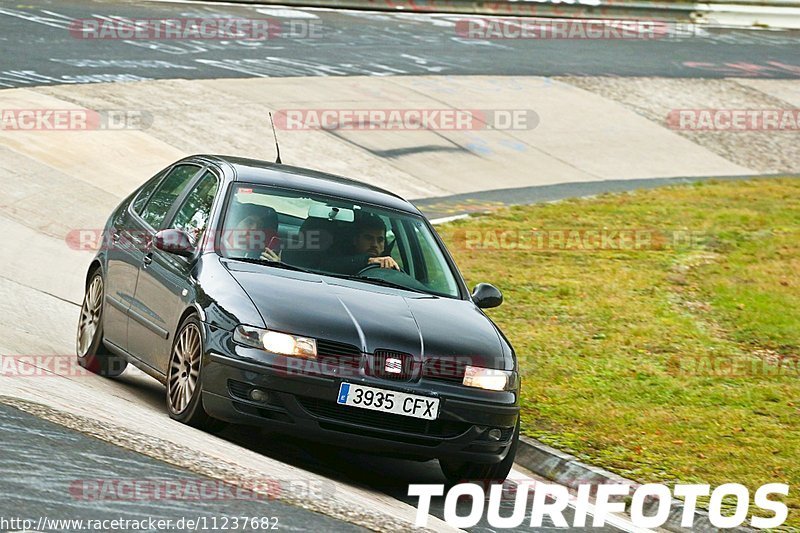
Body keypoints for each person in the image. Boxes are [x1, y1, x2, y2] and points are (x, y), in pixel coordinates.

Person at [325, 212, 400, 274]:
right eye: (369, 238)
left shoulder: (389, 268)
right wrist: (369, 261)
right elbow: (328, 266)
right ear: (355, 240)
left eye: (380, 240)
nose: (374, 244)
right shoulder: (337, 263)